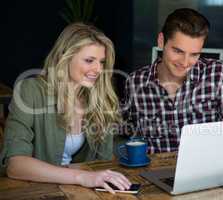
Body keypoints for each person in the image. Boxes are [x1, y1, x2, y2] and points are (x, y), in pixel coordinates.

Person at [0, 23, 131, 194]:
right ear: (65, 57)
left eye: (101, 62)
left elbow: (102, 163)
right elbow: (15, 165)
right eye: (89, 60)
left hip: (78, 192)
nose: (98, 69)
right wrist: (81, 177)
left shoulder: (99, 98)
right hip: (34, 190)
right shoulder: (30, 91)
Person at [122, 8, 223, 153]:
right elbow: (128, 135)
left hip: (205, 168)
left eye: (194, 54)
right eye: (178, 51)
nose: (185, 62)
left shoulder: (218, 74)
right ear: (161, 41)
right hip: (153, 171)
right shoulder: (134, 82)